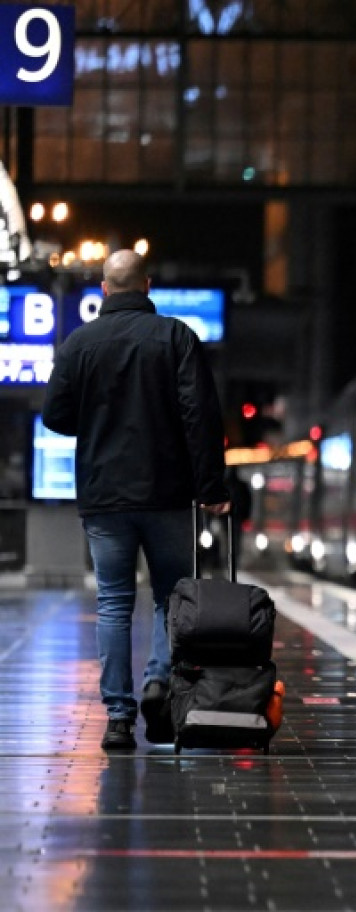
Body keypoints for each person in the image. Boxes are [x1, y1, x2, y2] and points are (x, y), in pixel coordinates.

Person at [41, 250, 231, 751]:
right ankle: (158, 683)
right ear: (147, 286)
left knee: (113, 603)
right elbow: (201, 416)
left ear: (104, 289)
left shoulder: (78, 343)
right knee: (172, 597)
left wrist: (99, 422)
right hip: (168, 494)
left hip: (104, 497)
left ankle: (119, 718)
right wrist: (212, 487)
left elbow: (55, 416)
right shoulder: (176, 338)